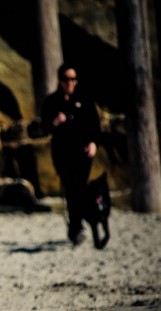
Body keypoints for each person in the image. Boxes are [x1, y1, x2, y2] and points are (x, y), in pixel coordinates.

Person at [41, 63, 102, 246]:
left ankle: (76, 226)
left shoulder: (84, 100)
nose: (70, 83)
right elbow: (44, 127)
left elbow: (94, 125)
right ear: (60, 81)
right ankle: (76, 227)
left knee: (81, 187)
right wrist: (55, 122)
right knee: (71, 188)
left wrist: (93, 143)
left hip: (82, 152)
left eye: (73, 79)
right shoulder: (52, 102)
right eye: (67, 79)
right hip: (63, 154)